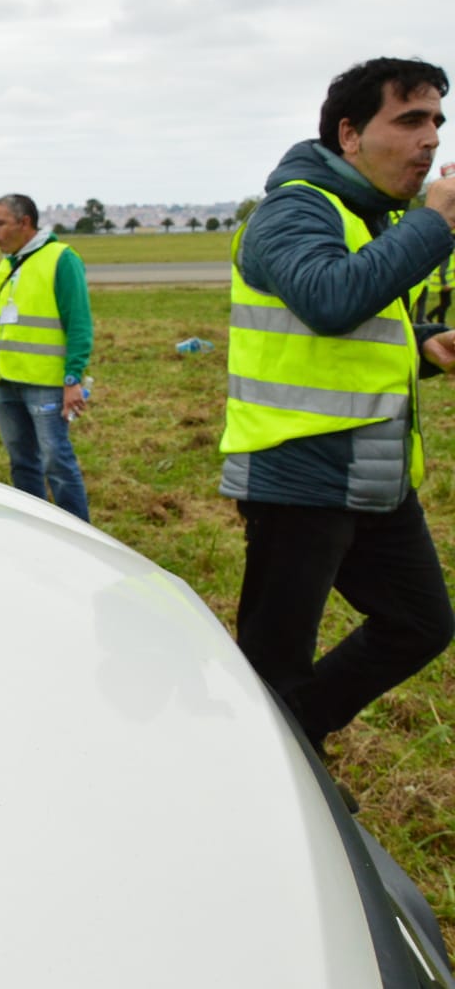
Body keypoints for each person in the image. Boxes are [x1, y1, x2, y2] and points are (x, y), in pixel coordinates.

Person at [219, 56, 455, 754]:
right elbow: (328, 299)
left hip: (373, 475)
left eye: (438, 122)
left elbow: (354, 330)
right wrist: (434, 225)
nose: (431, 139)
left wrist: (424, 344)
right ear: (349, 135)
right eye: (410, 119)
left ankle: (290, 738)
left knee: (421, 622)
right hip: (300, 476)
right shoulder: (294, 207)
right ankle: (268, 768)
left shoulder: (370, 217)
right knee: (274, 657)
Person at [0, 193, 93, 520]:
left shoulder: (62, 259)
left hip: (45, 384)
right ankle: (34, 528)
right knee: (22, 463)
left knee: (56, 461)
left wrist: (72, 379)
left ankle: (78, 531)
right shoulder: (6, 266)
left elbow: (79, 323)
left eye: (0, 223)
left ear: (25, 223)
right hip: (6, 383)